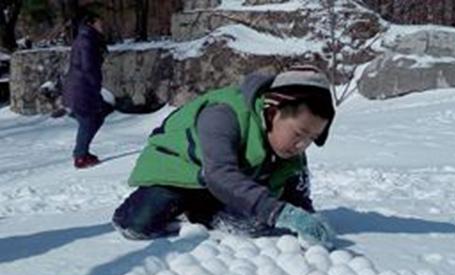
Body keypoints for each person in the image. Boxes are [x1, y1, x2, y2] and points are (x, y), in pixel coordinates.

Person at [112, 65, 337, 247]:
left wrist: (306, 218)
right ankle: (185, 205)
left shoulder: (290, 150)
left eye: (312, 138)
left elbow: (293, 188)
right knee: (139, 223)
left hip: (223, 184)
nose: (302, 145)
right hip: (178, 173)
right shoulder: (223, 113)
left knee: (254, 226)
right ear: (271, 113)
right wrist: (281, 213)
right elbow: (220, 173)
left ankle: (203, 211)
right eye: (299, 133)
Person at [62, 12, 110, 169]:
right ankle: (80, 157)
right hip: (82, 88)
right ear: (91, 23)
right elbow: (88, 65)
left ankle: (82, 152)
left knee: (97, 116)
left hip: (83, 87)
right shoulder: (86, 39)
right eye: (99, 22)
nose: (102, 26)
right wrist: (94, 83)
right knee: (88, 121)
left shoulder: (90, 38)